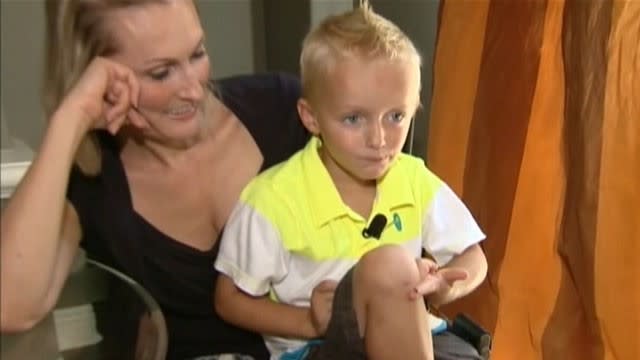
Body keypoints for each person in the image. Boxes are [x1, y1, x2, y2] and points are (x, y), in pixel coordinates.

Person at [0, 0, 309, 359]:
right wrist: (72, 117)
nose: (195, 90)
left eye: (197, 54)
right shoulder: (89, 180)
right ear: (94, 75)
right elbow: (11, 307)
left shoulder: (286, 110)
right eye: (161, 73)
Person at [214, 3, 488, 360]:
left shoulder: (413, 179)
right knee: (389, 265)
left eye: (395, 116)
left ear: (415, 109)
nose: (379, 139)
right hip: (320, 346)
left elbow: (474, 258)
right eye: (354, 119)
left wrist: (441, 288)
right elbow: (229, 299)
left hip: (419, 332)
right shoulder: (273, 200)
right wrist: (308, 322)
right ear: (311, 118)